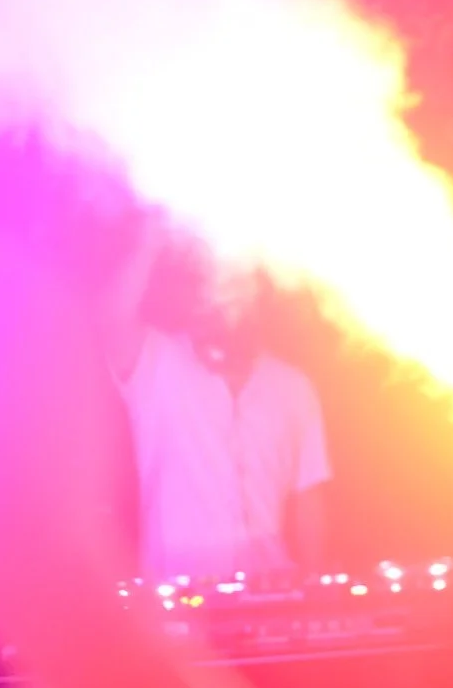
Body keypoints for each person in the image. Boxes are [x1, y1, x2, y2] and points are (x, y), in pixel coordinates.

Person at [103, 218, 331, 582]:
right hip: (181, 594)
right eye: (209, 289)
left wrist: (314, 592)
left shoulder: (294, 388)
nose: (219, 301)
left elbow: (309, 500)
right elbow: (112, 319)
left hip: (270, 593)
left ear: (257, 298)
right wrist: (151, 238)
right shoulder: (160, 364)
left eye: (233, 288)